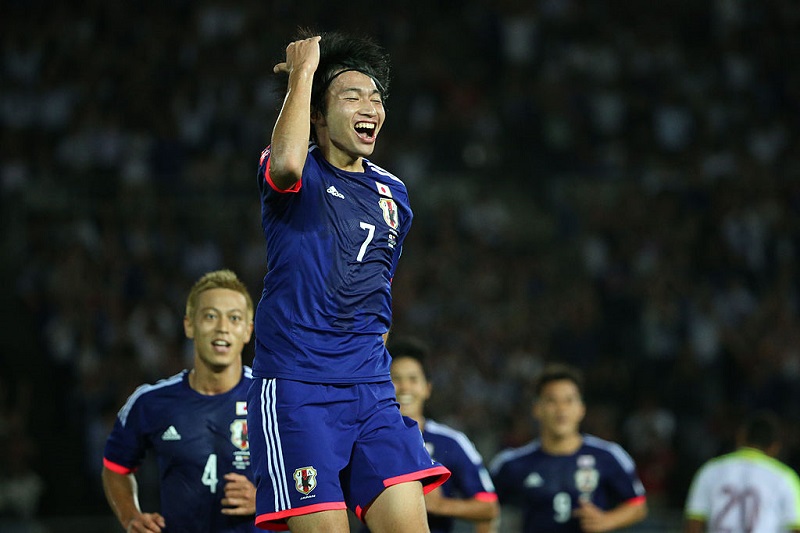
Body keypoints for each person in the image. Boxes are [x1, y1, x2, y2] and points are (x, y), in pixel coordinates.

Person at [247, 29, 449, 532]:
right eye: (352, 96)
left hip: (371, 389)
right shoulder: (296, 171)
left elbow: (377, 286)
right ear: (317, 113)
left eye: (376, 98)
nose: (370, 107)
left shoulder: (394, 194)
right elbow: (287, 161)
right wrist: (303, 73)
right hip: (297, 388)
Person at [102, 269, 259, 533]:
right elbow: (114, 467)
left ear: (247, 330)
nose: (222, 327)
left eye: (234, 318)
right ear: (189, 325)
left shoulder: (274, 399)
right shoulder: (150, 402)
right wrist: (130, 516)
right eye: (210, 316)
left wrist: (267, 499)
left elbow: (315, 471)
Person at [489, 363, 647, 532]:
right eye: (552, 401)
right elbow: (485, 507)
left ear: (581, 409)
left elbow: (638, 504)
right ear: (537, 409)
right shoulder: (511, 463)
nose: (561, 409)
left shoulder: (609, 456)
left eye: (569, 400)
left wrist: (607, 520)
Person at [379, 336, 499, 533]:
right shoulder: (365, 441)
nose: (405, 387)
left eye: (413, 379)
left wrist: (439, 505)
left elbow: (488, 507)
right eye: (396, 379)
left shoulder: (451, 442)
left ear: (427, 388)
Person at [684, 410, 800, 533]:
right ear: (775, 446)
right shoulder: (785, 478)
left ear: (741, 437)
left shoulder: (710, 470)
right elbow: (795, 527)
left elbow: (693, 524)